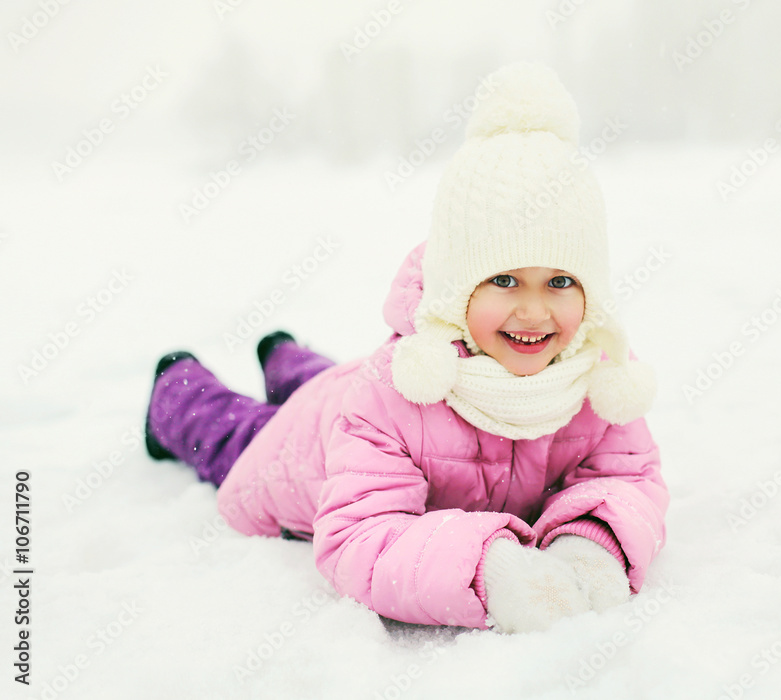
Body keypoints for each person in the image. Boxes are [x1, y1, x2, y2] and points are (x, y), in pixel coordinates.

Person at [145, 61, 669, 633]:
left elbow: (627, 481)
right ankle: (178, 385)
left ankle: (287, 357)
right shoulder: (393, 395)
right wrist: (492, 572)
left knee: (332, 381)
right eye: (504, 280)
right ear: (455, 288)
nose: (535, 310)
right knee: (239, 433)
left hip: (347, 394)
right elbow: (358, 537)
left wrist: (590, 545)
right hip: (312, 439)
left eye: (561, 282)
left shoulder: (599, 381)